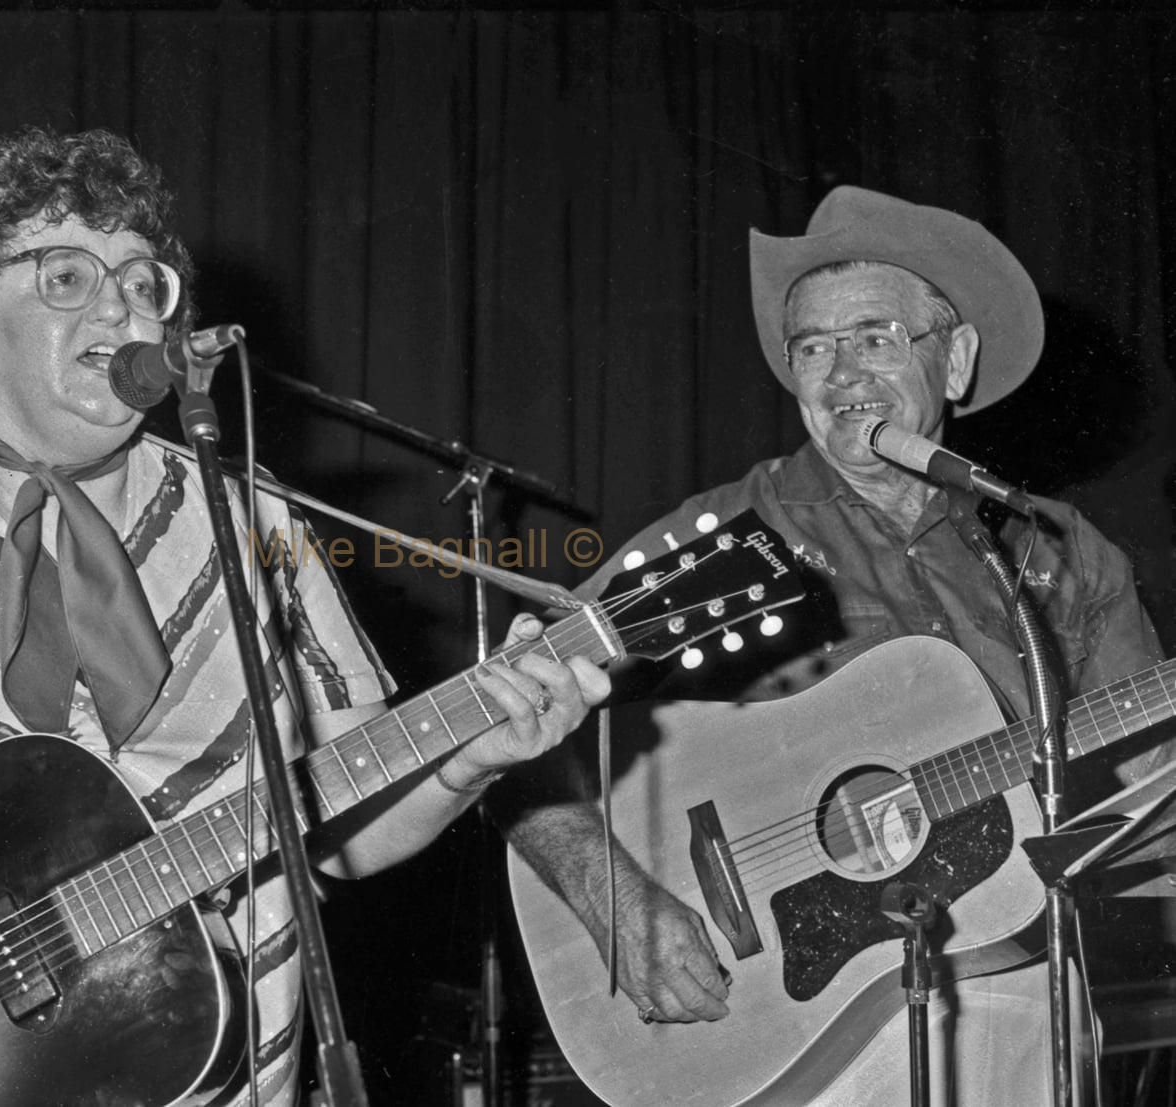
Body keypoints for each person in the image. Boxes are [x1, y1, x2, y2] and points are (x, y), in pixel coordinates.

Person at [0, 127, 610, 1107]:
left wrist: (468, 760)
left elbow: (340, 832)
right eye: (66, 276)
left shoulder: (252, 519)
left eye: (141, 279)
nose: (119, 303)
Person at [498, 186, 1170, 1104]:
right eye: (813, 347)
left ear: (957, 360)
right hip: (793, 1031)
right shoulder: (724, 538)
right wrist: (616, 899)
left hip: (1026, 997)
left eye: (876, 337)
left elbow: (1148, 786)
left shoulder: (1061, 549)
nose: (841, 372)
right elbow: (509, 727)